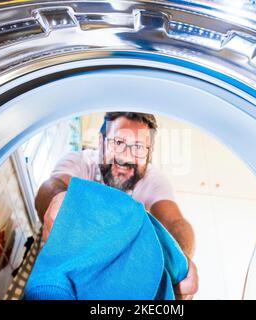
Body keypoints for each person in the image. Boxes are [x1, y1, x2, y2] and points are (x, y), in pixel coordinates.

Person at [35, 112, 199, 300]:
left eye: (138, 147)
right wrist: (57, 198)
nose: (125, 155)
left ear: (149, 154)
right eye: (118, 142)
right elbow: (52, 186)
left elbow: (175, 222)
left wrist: (179, 261)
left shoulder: (155, 181)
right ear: (101, 141)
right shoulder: (80, 161)